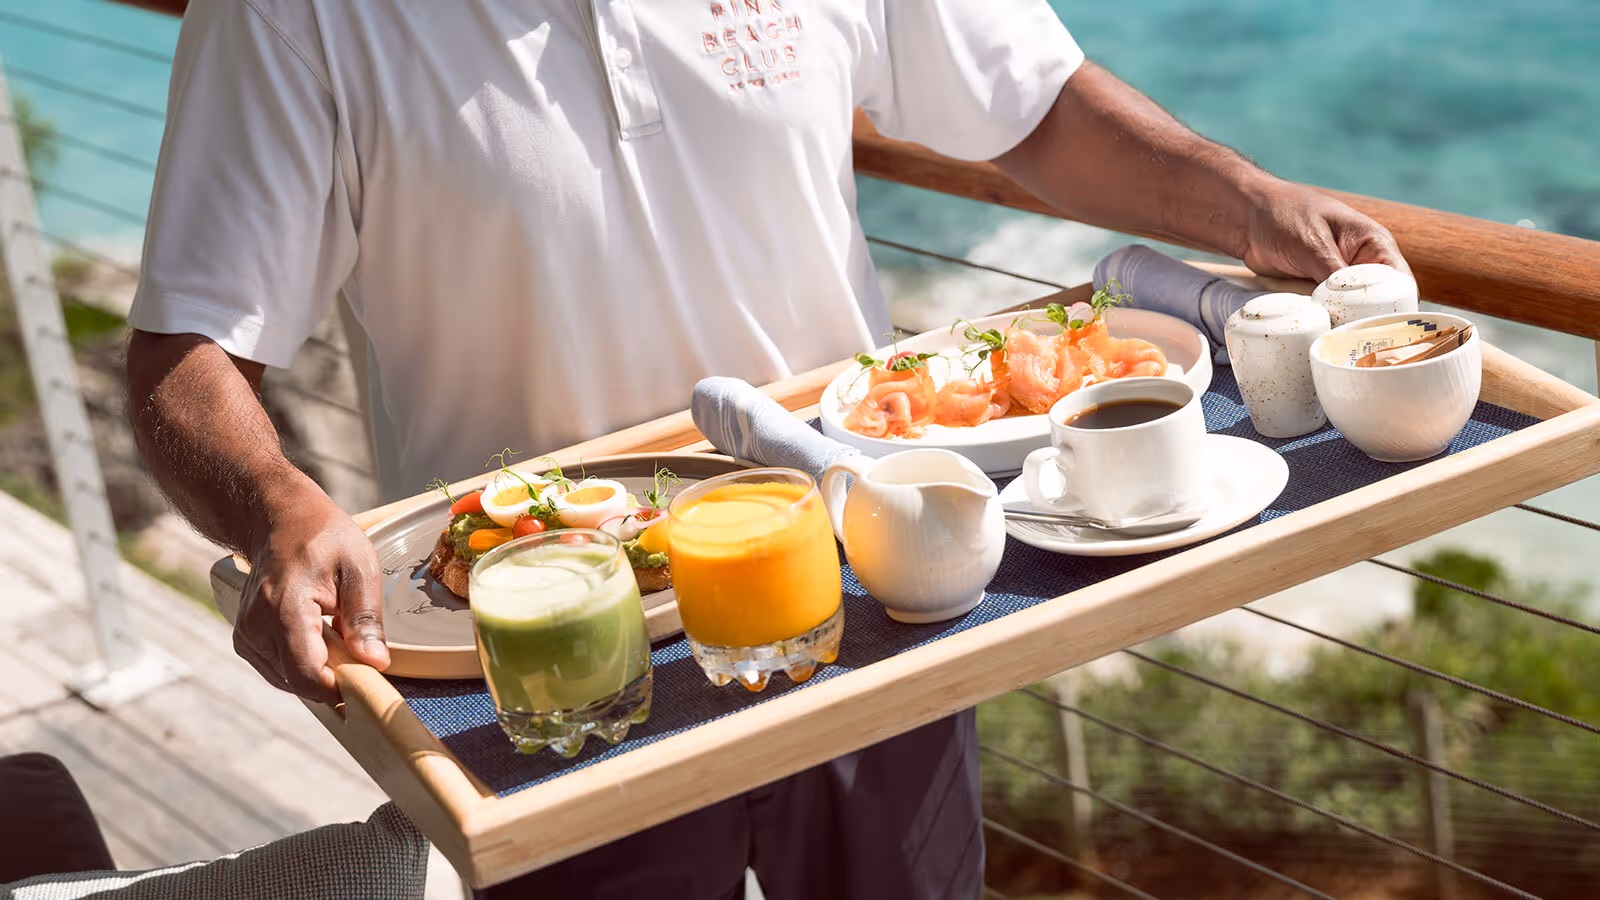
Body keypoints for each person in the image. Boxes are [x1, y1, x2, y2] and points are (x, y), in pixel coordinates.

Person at [125, 0, 1407, 896]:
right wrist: (276, 506)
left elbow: (1028, 112)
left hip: (858, 573)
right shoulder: (289, 11)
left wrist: (1246, 200)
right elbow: (185, 354)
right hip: (547, 654)